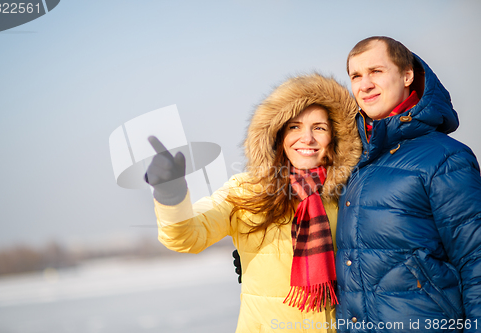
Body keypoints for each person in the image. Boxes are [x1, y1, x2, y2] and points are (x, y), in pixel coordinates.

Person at [145, 73, 362, 332]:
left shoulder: (350, 195)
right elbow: (186, 236)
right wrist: (171, 193)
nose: (307, 138)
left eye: (319, 127)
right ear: (277, 135)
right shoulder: (248, 190)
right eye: (294, 127)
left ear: (335, 137)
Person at [336, 36, 481, 332]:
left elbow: (475, 259)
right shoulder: (355, 162)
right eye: (356, 76)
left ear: (407, 75)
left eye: (376, 71)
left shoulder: (445, 157)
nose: (365, 85)